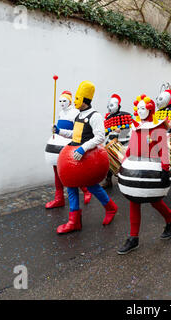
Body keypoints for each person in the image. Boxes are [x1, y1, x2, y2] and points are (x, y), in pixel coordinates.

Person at [53, 81, 118, 234]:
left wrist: (83, 148)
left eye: (77, 98)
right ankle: (74, 220)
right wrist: (59, 131)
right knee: (71, 186)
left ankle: (111, 208)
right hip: (74, 157)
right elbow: (75, 135)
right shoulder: (79, 115)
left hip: (87, 158)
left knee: (91, 186)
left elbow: (100, 137)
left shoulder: (95, 116)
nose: (74, 101)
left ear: (85, 100)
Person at [117, 94, 171, 254]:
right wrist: (122, 163)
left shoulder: (158, 127)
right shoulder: (136, 126)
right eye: (138, 108)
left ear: (150, 109)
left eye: (143, 108)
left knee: (155, 201)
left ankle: (170, 221)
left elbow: (163, 148)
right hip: (135, 171)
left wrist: (165, 168)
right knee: (133, 202)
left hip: (153, 170)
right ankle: (133, 238)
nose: (140, 111)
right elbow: (130, 147)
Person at [44, 91, 92, 209]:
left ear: (70, 101)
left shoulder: (75, 113)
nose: (61, 103)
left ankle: (86, 191)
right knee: (57, 173)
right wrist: (55, 129)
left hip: (68, 146)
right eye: (60, 101)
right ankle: (59, 198)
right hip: (57, 146)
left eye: (64, 100)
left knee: (72, 173)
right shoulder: (61, 113)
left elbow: (76, 133)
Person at [101, 94, 133, 189]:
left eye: (112, 105)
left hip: (124, 142)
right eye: (108, 106)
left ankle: (127, 180)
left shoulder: (125, 115)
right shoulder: (108, 117)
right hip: (111, 142)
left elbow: (131, 128)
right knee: (109, 161)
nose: (109, 108)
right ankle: (108, 180)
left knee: (125, 162)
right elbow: (106, 131)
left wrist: (122, 131)